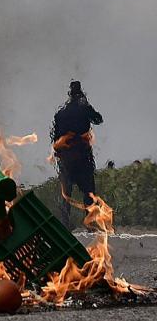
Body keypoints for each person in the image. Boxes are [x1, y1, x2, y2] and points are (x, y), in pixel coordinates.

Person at [51, 80, 103, 229]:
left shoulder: (60, 113)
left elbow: (55, 139)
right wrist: (87, 105)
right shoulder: (84, 108)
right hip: (82, 156)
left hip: (66, 158)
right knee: (88, 190)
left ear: (69, 93)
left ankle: (65, 224)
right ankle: (90, 223)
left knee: (66, 192)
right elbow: (99, 119)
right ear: (80, 93)